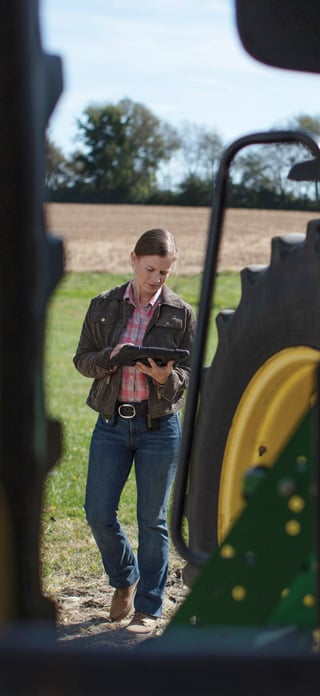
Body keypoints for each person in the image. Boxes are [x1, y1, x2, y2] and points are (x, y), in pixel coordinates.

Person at [73, 228, 196, 635]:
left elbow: (189, 372)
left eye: (165, 272)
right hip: (111, 422)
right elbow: (82, 359)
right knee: (98, 513)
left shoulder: (181, 313)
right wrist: (109, 359)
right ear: (133, 259)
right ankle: (126, 578)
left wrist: (165, 377)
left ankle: (149, 608)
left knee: (152, 520)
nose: (157, 279)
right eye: (151, 269)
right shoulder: (104, 304)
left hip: (159, 427)